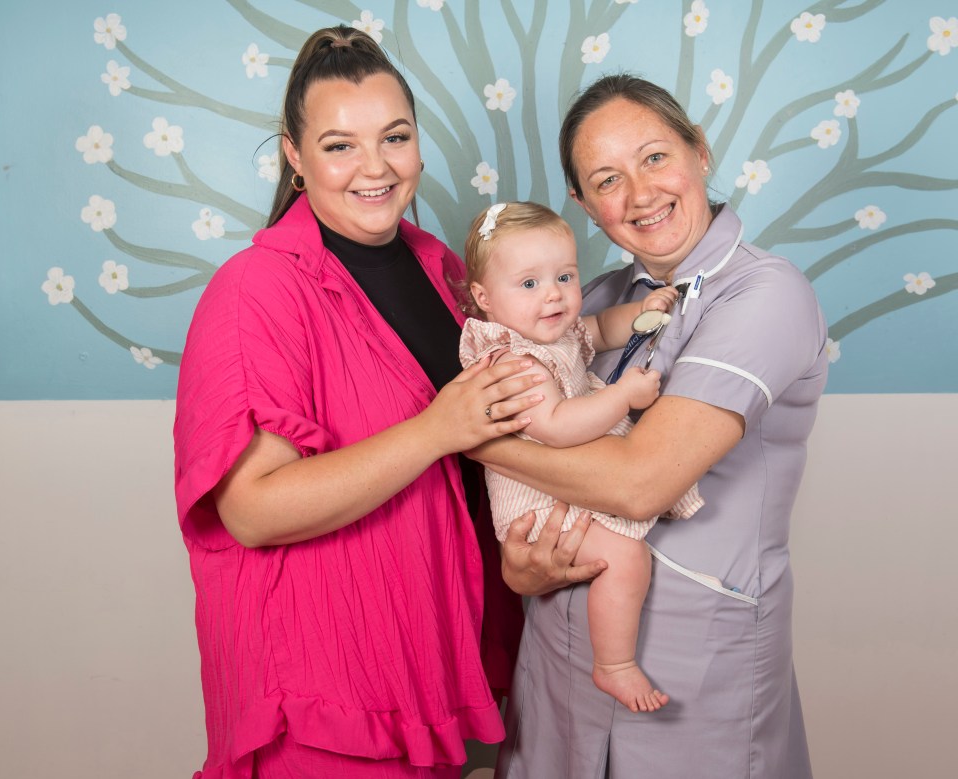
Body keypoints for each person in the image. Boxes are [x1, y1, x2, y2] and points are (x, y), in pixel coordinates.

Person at [173, 26, 543, 779]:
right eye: (340, 145)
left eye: (394, 137)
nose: (374, 168)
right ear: (295, 158)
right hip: (325, 689)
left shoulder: (438, 265)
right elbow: (253, 508)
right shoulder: (257, 291)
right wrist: (436, 429)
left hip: (437, 661)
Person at [475, 75, 828, 778]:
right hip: (557, 656)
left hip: (694, 662)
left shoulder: (765, 295)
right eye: (607, 178)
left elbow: (640, 483)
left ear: (699, 152)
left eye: (655, 157)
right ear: (582, 203)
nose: (639, 194)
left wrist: (476, 439)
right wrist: (520, 567)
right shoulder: (592, 299)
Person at [458, 201, 704, 714]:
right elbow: (555, 428)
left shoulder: (552, 332)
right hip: (537, 497)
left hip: (565, 478)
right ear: (483, 298)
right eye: (528, 284)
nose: (553, 294)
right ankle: (613, 663)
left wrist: (641, 313)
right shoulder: (514, 360)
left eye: (564, 276)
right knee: (625, 557)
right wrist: (622, 398)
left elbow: (597, 330)